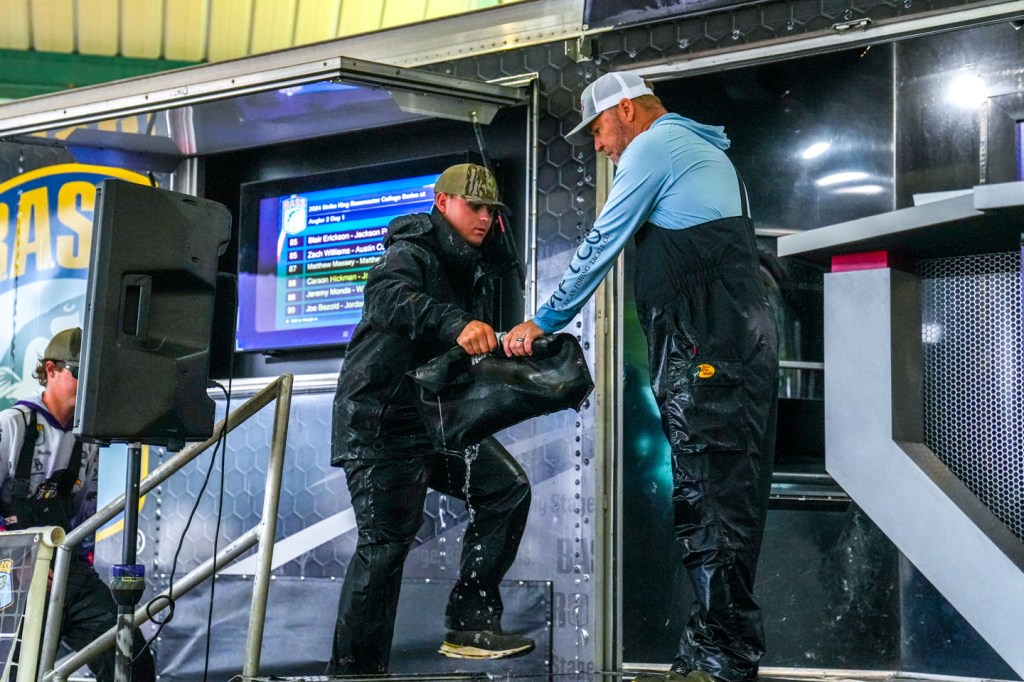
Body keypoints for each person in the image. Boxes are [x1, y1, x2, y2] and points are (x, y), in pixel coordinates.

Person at [504, 73, 779, 682]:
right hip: (724, 348)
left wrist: (543, 321)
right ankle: (708, 652)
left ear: (626, 110)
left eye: (599, 130)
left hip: (710, 349)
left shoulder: (657, 146)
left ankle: (723, 660)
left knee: (712, 503)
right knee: (717, 499)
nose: (600, 145)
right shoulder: (697, 150)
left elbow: (603, 238)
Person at [328, 163, 534, 674]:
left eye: (491, 210)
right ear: (442, 203)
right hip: (379, 422)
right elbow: (386, 299)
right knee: (384, 547)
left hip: (433, 422)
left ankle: (470, 623)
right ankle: (354, 674)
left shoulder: (477, 264)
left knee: (505, 489)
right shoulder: (411, 250)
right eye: (474, 206)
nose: (484, 218)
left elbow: (468, 347)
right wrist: (456, 323)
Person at [0, 327, 155, 682]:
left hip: (65, 572)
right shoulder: (12, 425)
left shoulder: (86, 440)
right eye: (78, 372)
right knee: (18, 670)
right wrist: (18, 561)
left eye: (94, 376)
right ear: (50, 370)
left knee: (130, 659)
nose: (88, 385)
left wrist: (73, 567)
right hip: (10, 575)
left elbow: (83, 519)